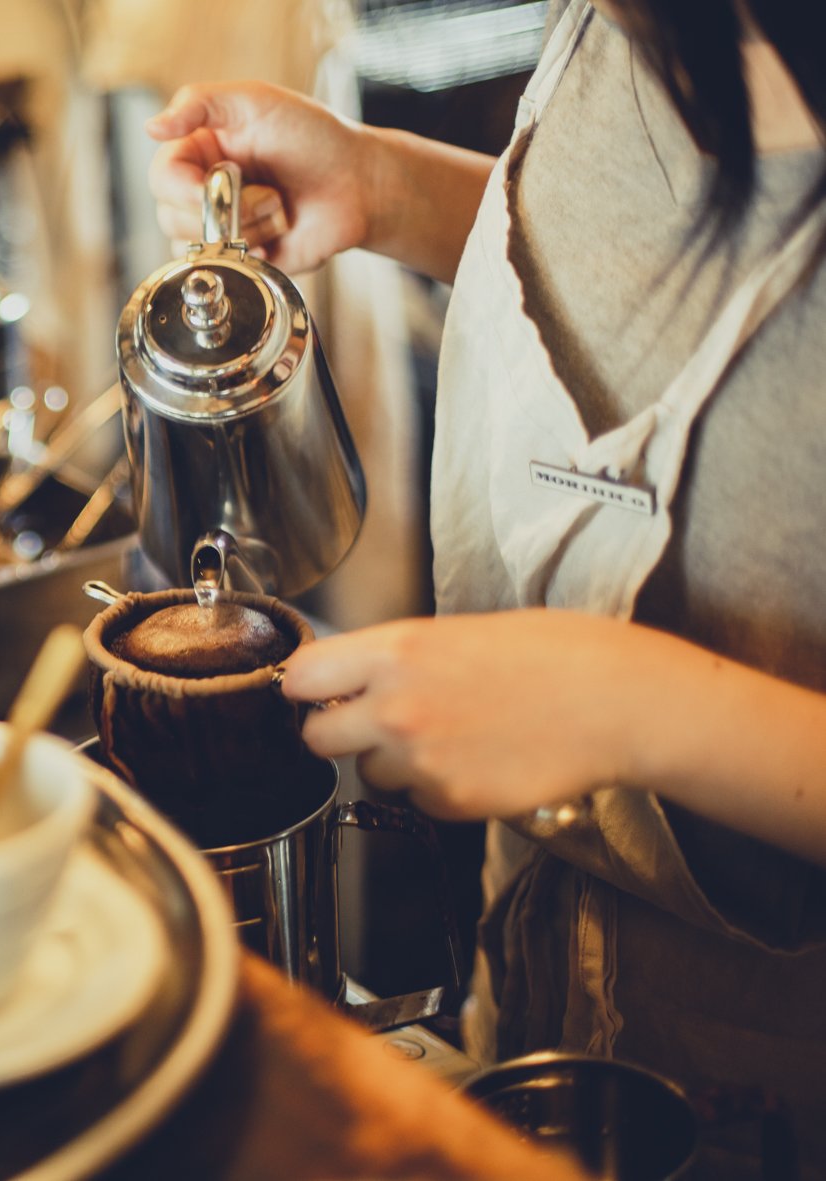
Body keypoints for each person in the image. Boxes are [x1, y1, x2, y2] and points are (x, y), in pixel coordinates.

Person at [147, 1, 826, 1175]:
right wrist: (389, 190)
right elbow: (666, 297)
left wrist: (637, 708)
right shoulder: (620, 27)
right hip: (541, 1017)